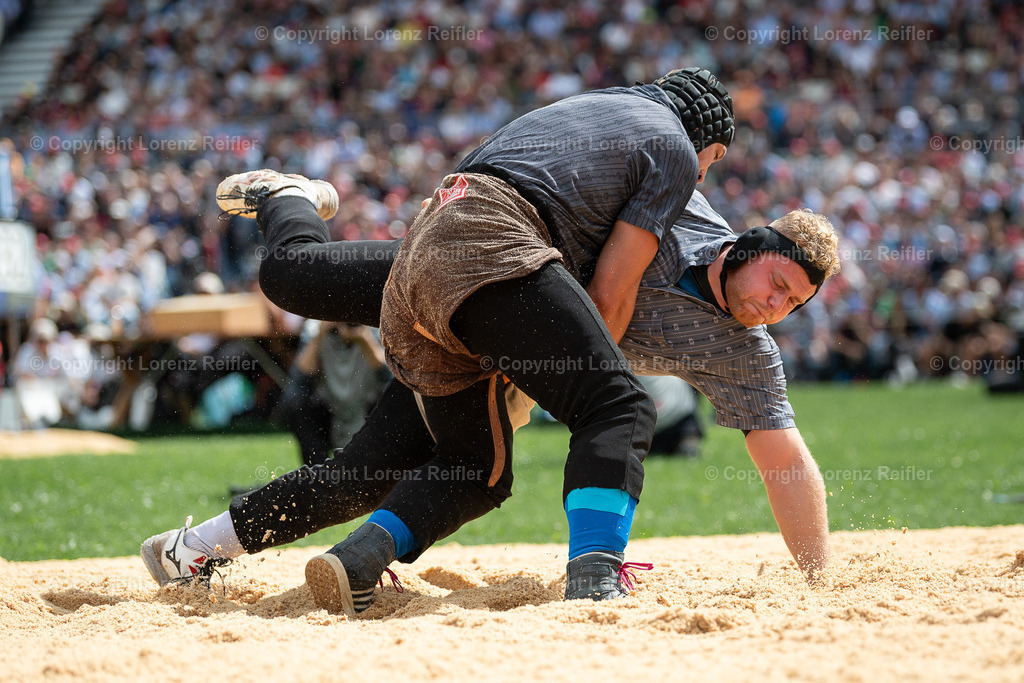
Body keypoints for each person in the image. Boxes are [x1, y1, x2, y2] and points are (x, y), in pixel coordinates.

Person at [143, 180, 839, 617]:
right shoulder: (671, 202)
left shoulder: (743, 352)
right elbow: (565, 163)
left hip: (484, 351)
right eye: (777, 283)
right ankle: (288, 197)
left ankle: (191, 548)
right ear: (751, 246)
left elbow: (784, 453)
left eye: (793, 304)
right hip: (477, 268)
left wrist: (819, 579)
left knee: (359, 476)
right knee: (292, 275)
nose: (774, 306)